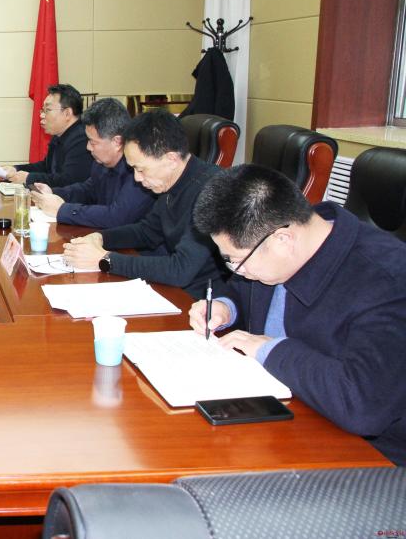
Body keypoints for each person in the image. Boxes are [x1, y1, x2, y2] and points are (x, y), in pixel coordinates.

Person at [189, 164, 406, 465]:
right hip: (288, 412)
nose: (237, 271)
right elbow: (243, 289)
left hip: (370, 456)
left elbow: (364, 406)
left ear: (282, 240)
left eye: (236, 261)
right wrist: (226, 307)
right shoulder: (282, 244)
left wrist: (269, 350)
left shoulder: (388, 282)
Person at [62, 109, 226, 297]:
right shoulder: (169, 182)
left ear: (171, 159)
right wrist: (100, 237)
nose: (137, 178)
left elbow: (180, 270)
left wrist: (105, 259)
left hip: (200, 300)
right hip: (173, 290)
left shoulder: (213, 191)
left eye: (141, 169)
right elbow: (147, 232)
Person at [30, 97, 153, 228]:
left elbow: (116, 216)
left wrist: (62, 210)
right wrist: (53, 192)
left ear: (117, 142)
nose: (88, 147)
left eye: (93, 142)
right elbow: (87, 190)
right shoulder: (100, 163)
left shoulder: (138, 171)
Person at [6, 84, 93, 188]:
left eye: (47, 110)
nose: (41, 115)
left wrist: (29, 178)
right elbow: (46, 167)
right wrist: (16, 169)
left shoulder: (82, 139)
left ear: (67, 113)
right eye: (42, 110)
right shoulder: (59, 135)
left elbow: (69, 181)